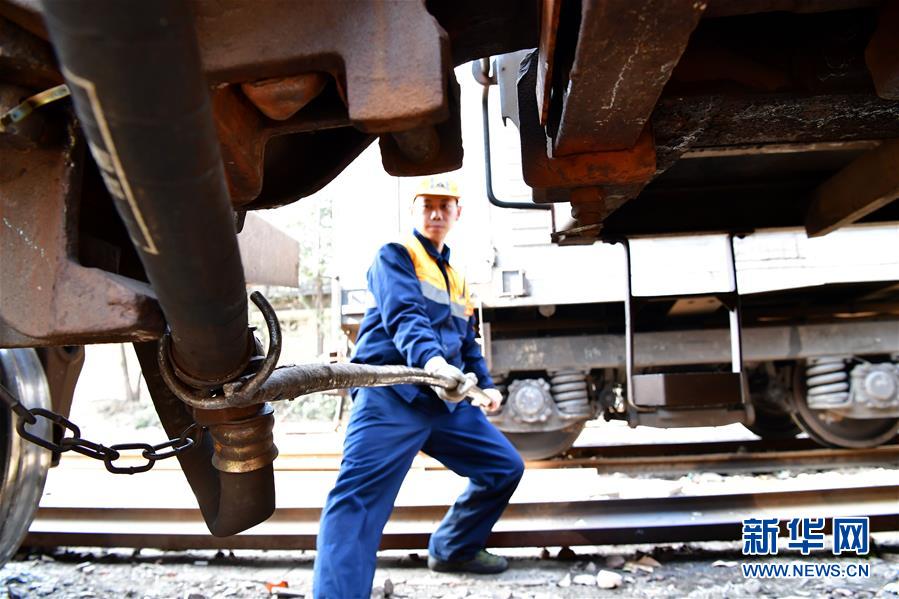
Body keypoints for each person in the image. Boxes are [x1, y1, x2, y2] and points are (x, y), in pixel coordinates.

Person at [313, 176, 525, 599]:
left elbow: (466, 340)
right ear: (414, 211)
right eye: (427, 205)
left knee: (504, 467)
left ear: (456, 214)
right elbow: (404, 315)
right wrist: (432, 362)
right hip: (392, 396)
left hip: (445, 403)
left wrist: (484, 385)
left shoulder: (457, 277)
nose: (435, 213)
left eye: (445, 206)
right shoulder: (395, 256)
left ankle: (454, 549)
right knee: (357, 501)